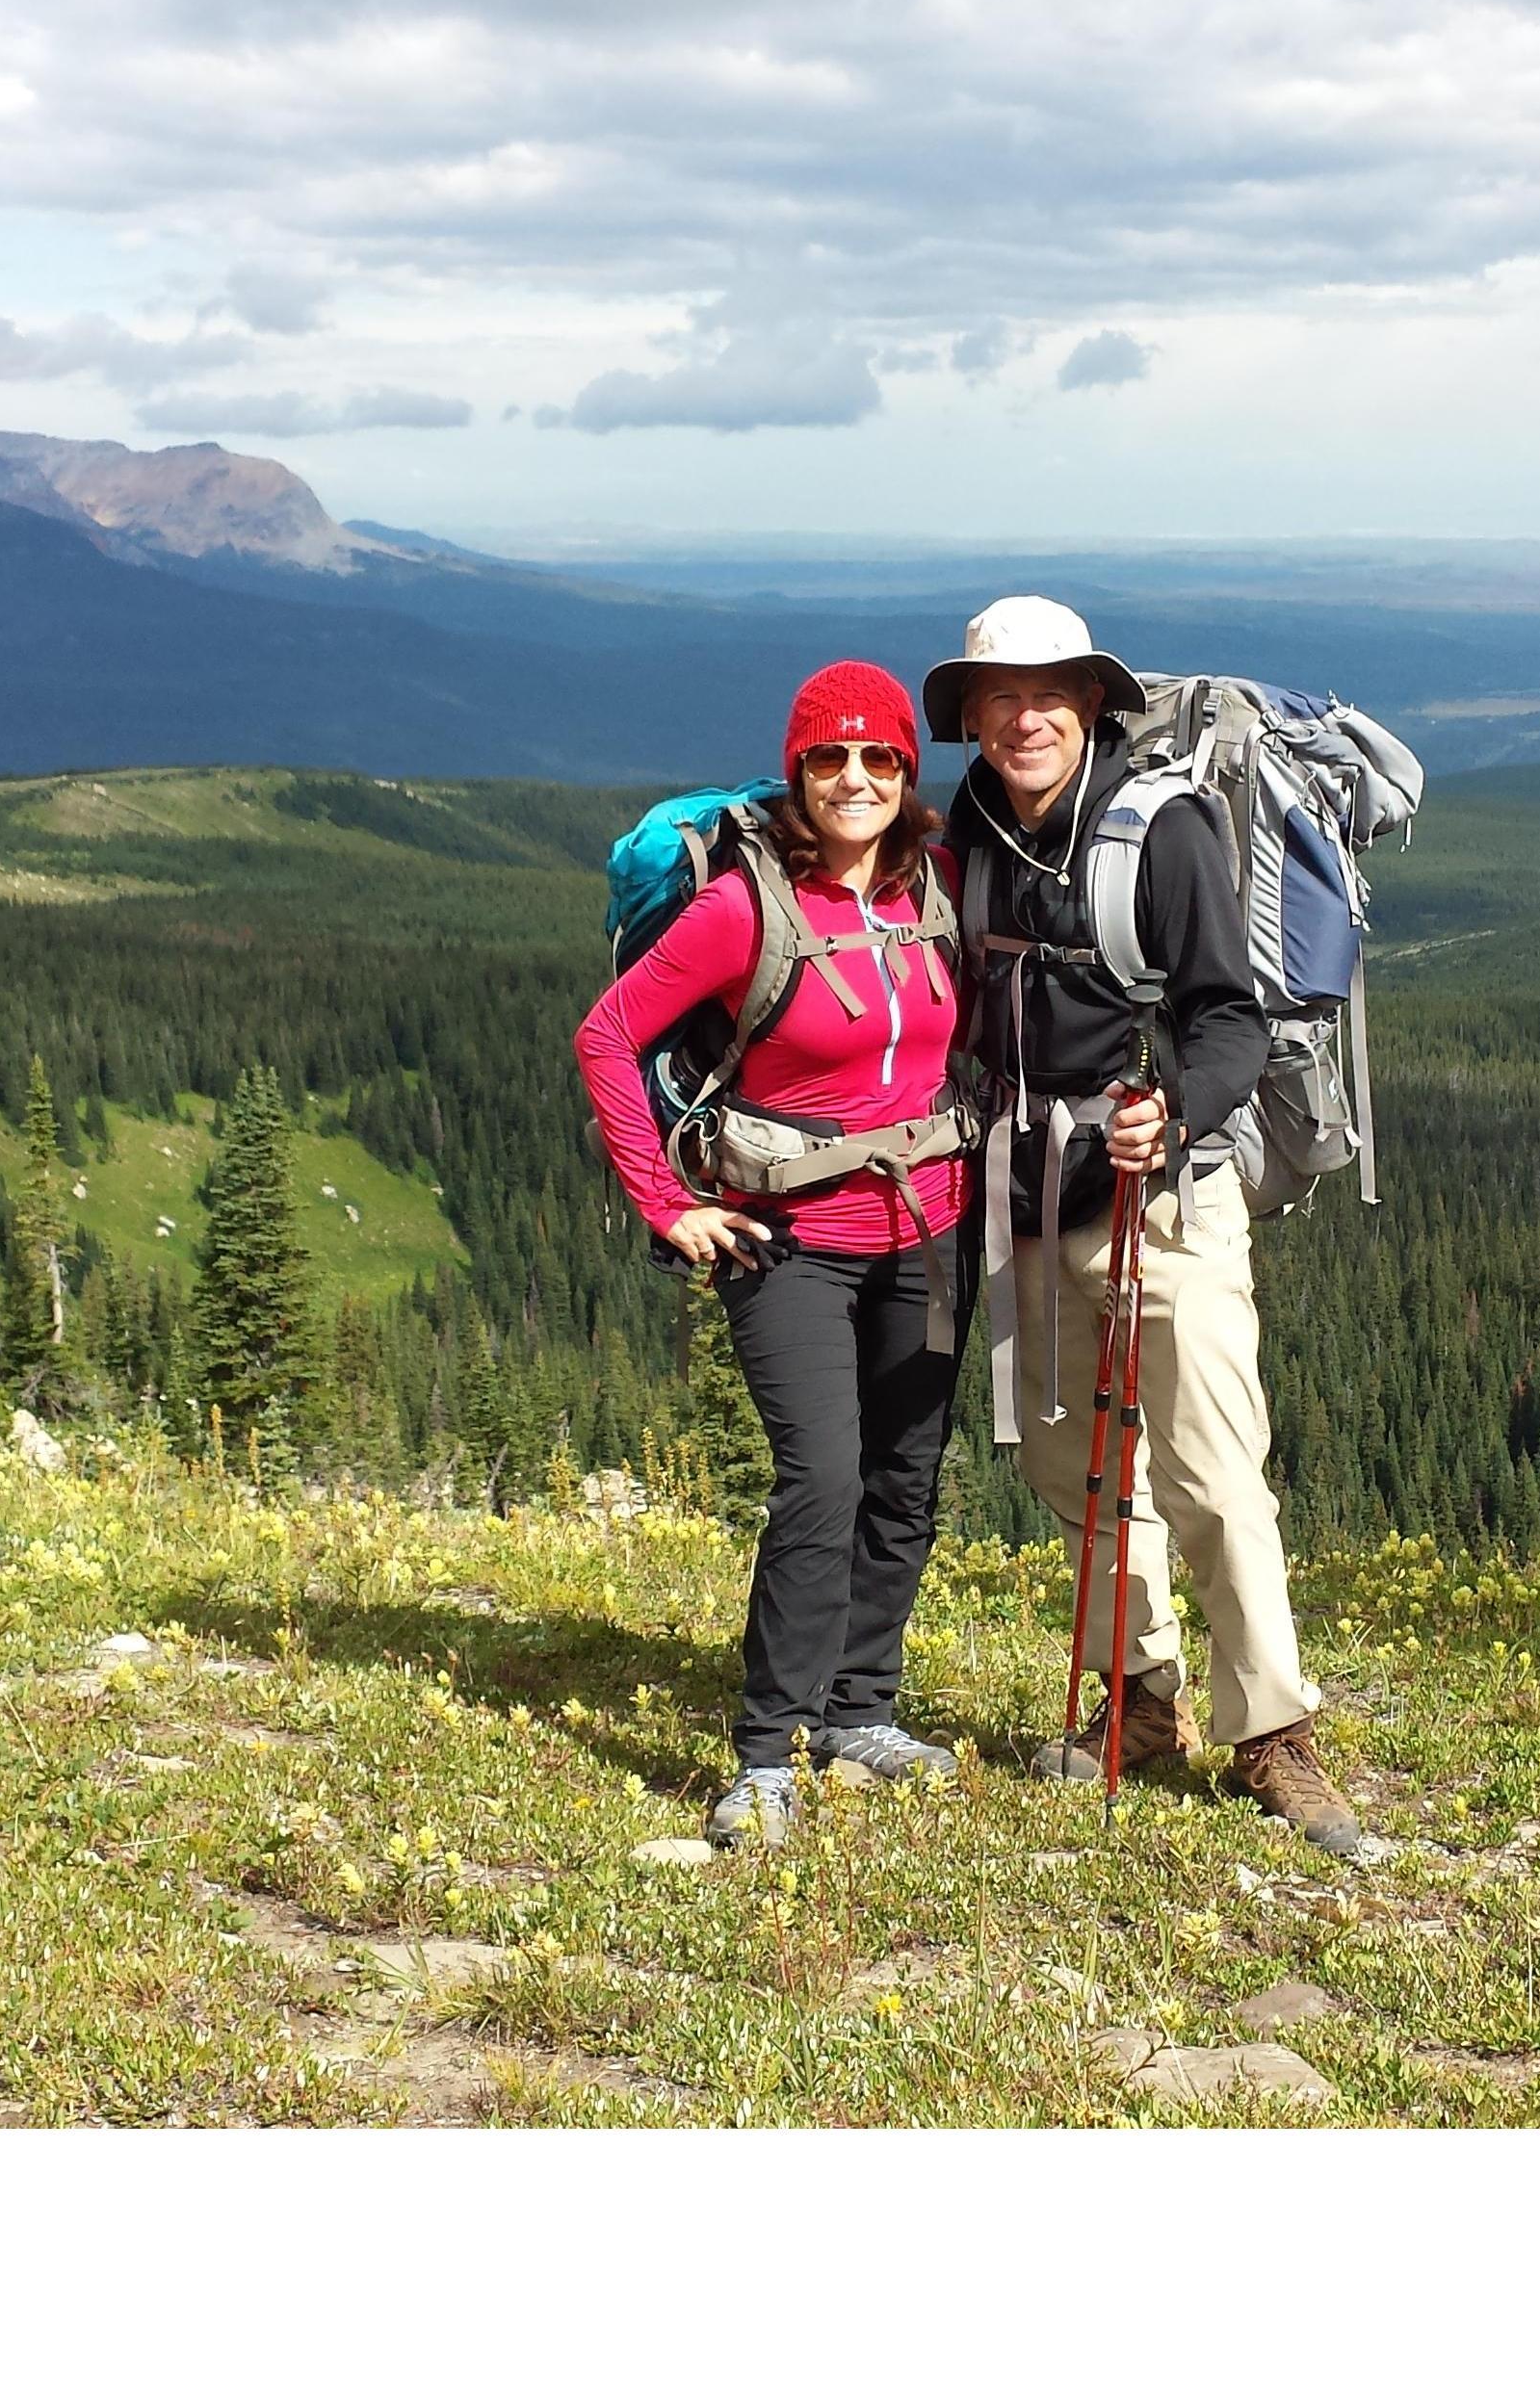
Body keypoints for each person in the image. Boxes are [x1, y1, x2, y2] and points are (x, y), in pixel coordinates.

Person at [929, 593, 1390, 1863]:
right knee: (1074, 1469)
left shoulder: (1163, 831)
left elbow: (1228, 1017)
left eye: (1050, 694)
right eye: (1000, 697)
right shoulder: (959, 839)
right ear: (969, 717)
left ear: (1090, 704)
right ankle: (1137, 1707)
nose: (1025, 718)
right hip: (1024, 1200)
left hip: (1164, 1199)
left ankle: (1274, 1735)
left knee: (1211, 1470)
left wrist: (1173, 1110)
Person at [573, 660, 971, 1849]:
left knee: (908, 1475)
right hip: (790, 1240)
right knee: (823, 1484)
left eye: (881, 758)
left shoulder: (935, 888)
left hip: (931, 1232)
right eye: (830, 759)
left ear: (909, 772)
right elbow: (608, 1035)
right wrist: (665, 1203)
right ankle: (764, 1753)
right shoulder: (744, 908)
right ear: (798, 772)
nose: (856, 780)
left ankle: (863, 1709)